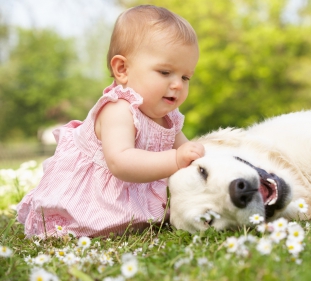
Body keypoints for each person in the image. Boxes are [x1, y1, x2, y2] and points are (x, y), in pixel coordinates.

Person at [16, 5, 205, 238]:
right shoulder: (118, 109)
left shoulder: (170, 118)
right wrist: (176, 159)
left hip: (132, 195)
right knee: (77, 227)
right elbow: (121, 162)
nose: (178, 84)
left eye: (185, 77)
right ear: (122, 69)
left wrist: (197, 158)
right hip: (94, 197)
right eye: (165, 72)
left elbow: (188, 152)